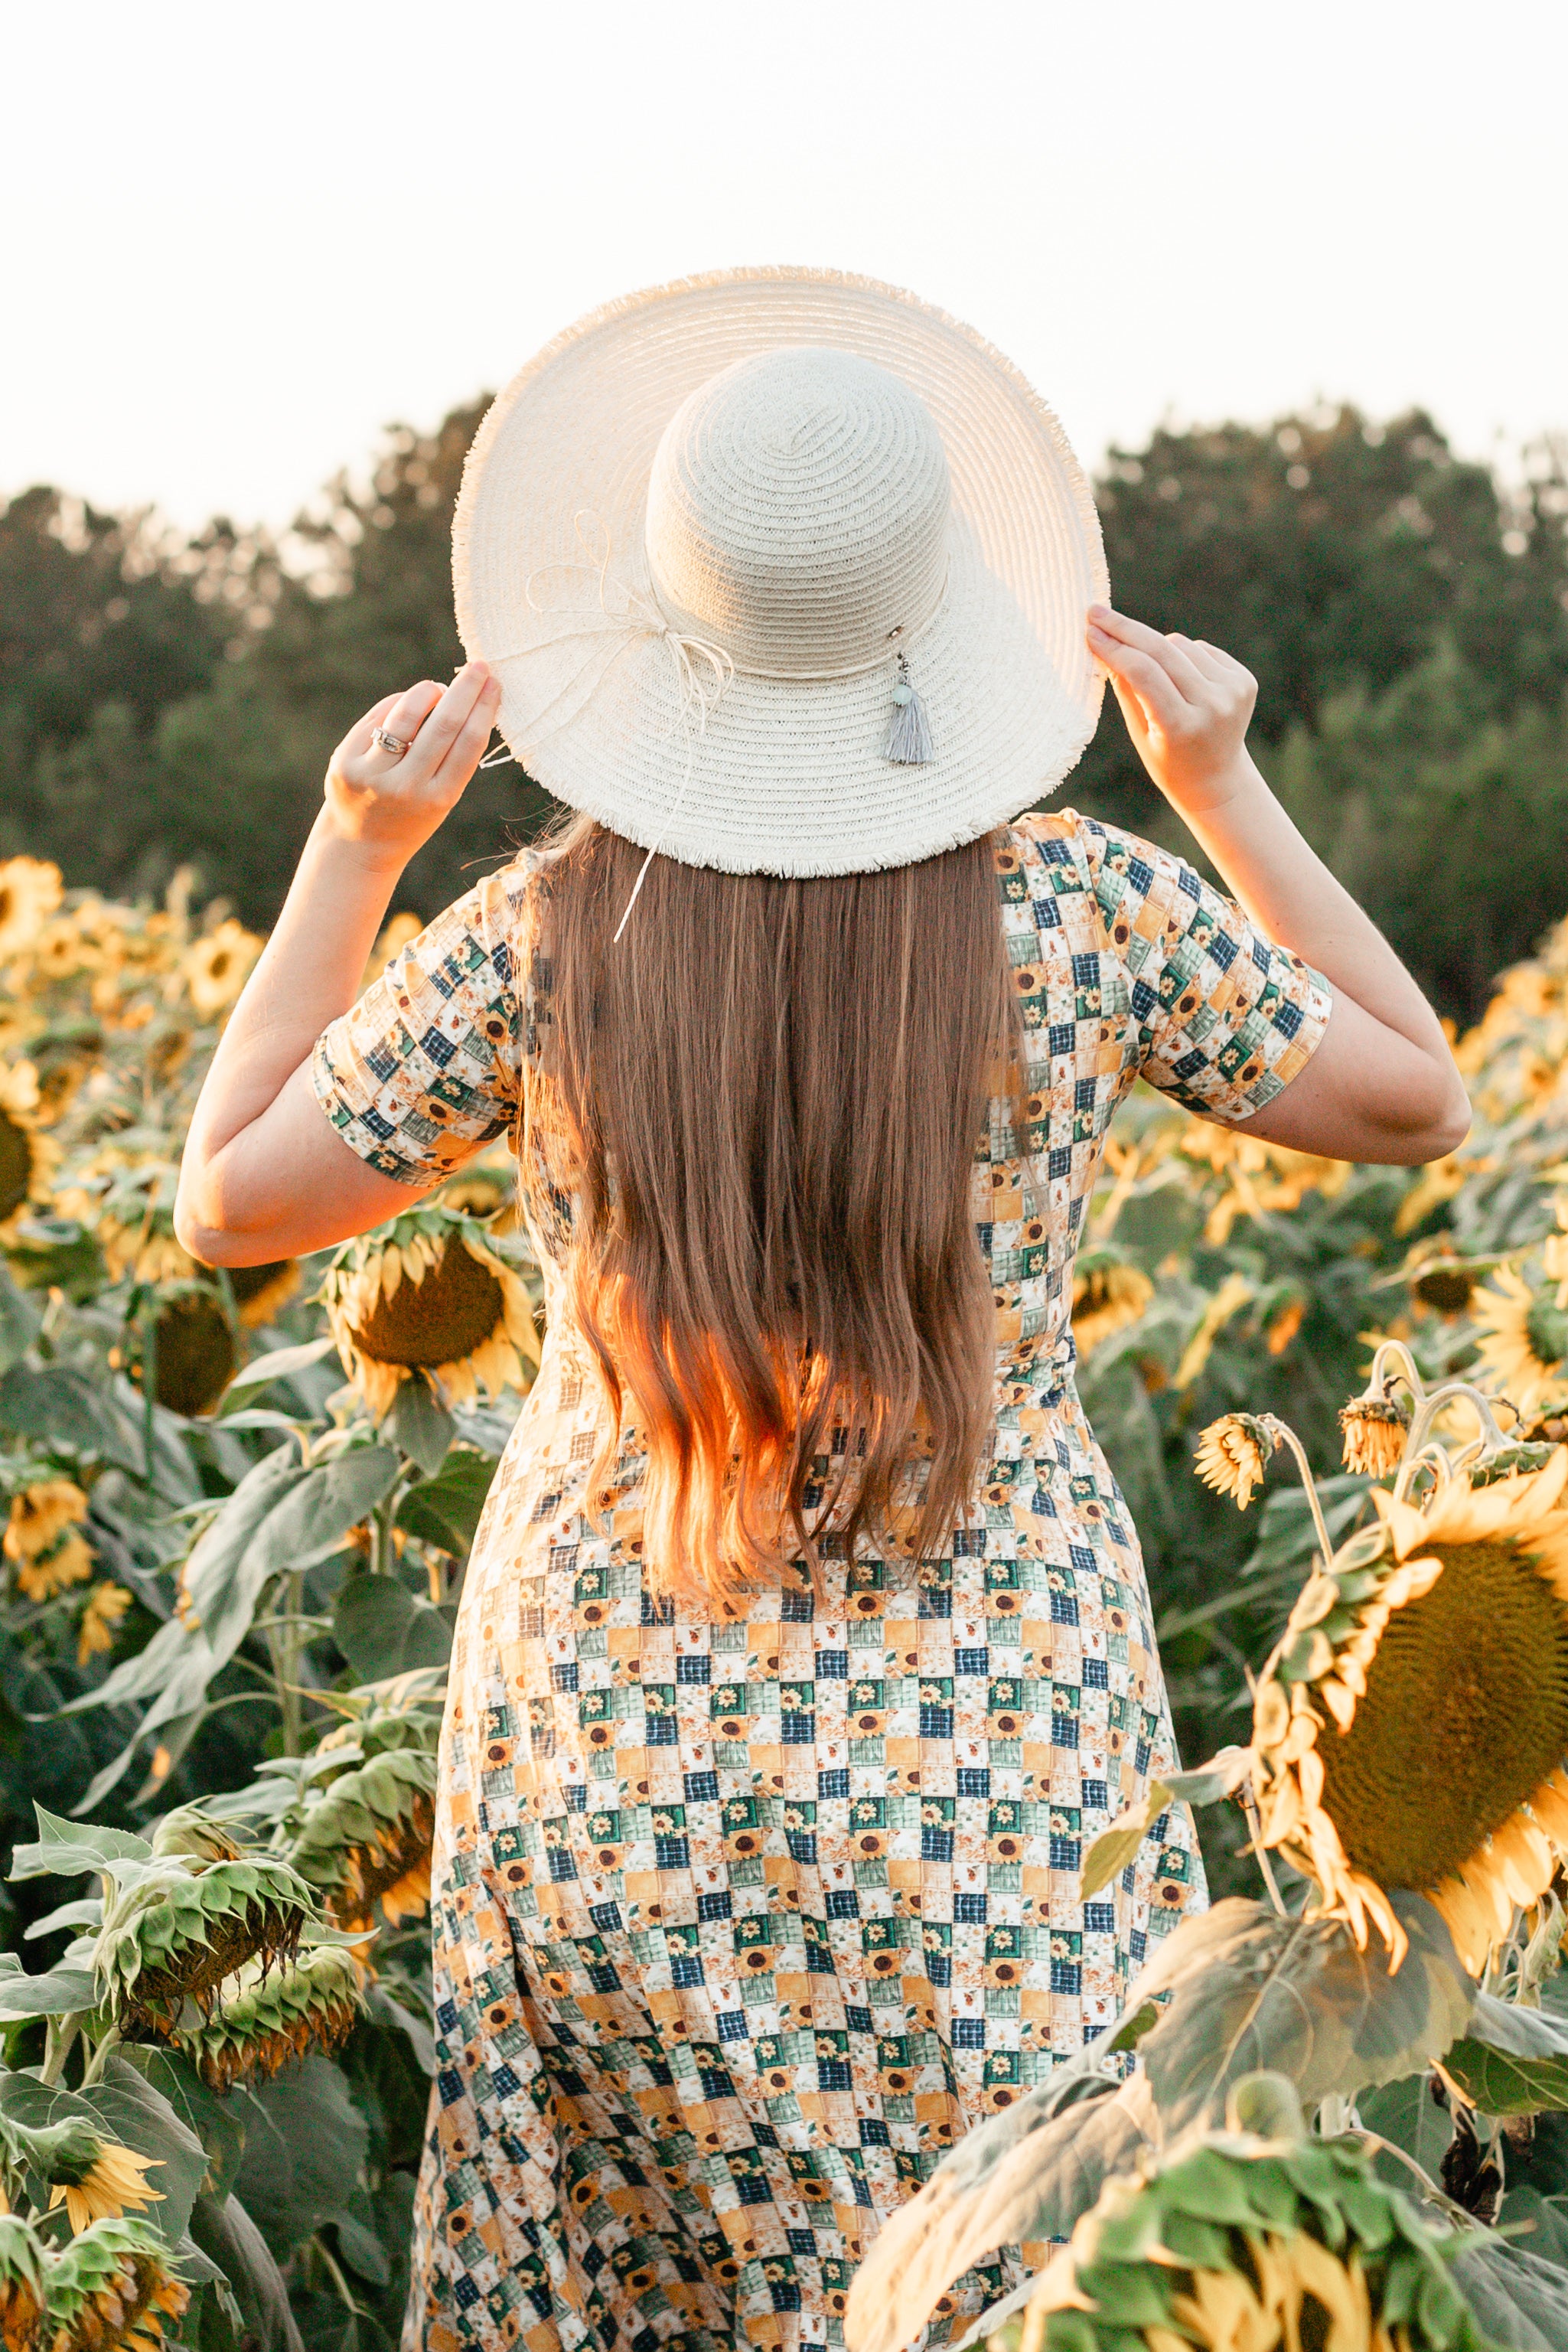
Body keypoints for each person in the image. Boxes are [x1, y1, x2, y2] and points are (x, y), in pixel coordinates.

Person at [175, 272, 1467, 2352]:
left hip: (616, 1704)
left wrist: (356, 843)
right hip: (999, 1709)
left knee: (626, 2268)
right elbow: (1415, 1095)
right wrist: (1218, 781)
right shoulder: (1080, 905)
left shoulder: (544, 933)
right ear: (934, 618)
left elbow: (229, 1199)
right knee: (1026, 2261)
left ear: (663, 619)